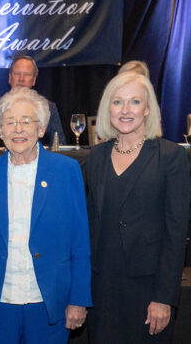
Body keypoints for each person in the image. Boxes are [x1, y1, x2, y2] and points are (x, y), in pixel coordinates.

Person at [0, 87, 91, 343]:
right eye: (10, 122)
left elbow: (80, 240)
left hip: (49, 300)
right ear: (0, 131)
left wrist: (79, 299)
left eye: (26, 121)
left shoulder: (67, 170)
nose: (18, 129)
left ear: (41, 129)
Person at [86, 71, 189, 343]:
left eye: (134, 102)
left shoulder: (171, 156)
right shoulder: (96, 157)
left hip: (148, 290)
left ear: (147, 109)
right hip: (102, 287)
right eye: (117, 102)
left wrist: (164, 298)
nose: (125, 110)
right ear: (108, 108)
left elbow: (176, 233)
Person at [0, 56, 65, 145]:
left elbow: (60, 145)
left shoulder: (49, 107)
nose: (21, 79)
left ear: (34, 80)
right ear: (10, 78)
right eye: (17, 74)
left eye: (27, 74)